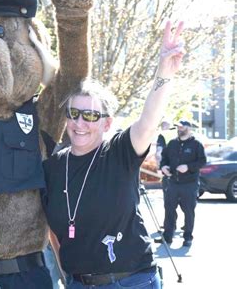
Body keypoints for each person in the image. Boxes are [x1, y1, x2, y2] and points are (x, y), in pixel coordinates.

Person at [42, 21, 185, 288]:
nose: (79, 123)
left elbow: (148, 121)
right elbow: (54, 233)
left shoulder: (119, 152)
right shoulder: (52, 167)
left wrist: (163, 73)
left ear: (106, 124)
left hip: (132, 282)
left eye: (91, 115)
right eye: (73, 113)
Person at [156, 120, 206, 247]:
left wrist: (188, 167)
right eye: (178, 127)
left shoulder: (196, 144)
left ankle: (188, 237)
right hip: (173, 182)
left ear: (188, 128)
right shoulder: (172, 143)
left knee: (188, 211)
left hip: (190, 184)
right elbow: (164, 158)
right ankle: (167, 237)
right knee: (169, 209)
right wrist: (163, 167)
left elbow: (202, 161)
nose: (179, 129)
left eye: (182, 127)